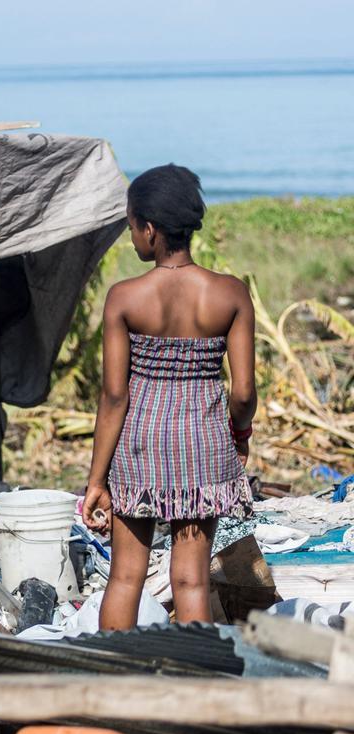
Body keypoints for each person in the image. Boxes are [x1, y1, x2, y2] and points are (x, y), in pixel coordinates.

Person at [83, 164, 256, 629]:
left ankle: (116, 682)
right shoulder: (231, 294)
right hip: (203, 443)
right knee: (192, 582)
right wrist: (240, 434)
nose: (132, 236)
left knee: (124, 578)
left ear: (151, 229)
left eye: (132, 225)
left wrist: (96, 480)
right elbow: (242, 392)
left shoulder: (125, 298)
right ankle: (192, 684)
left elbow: (114, 397)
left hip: (140, 445)